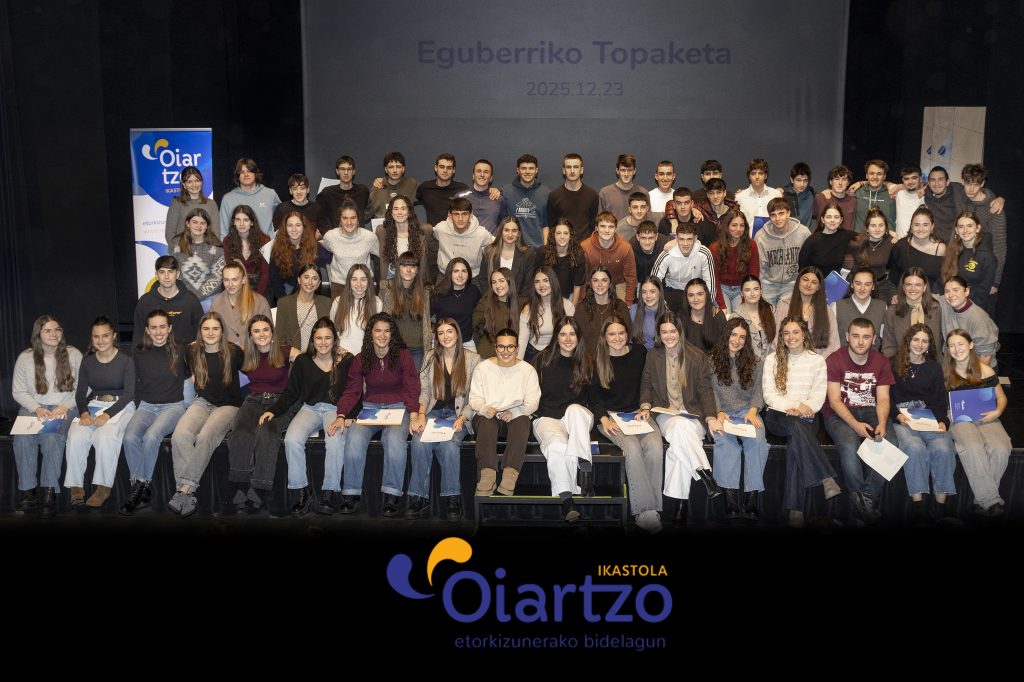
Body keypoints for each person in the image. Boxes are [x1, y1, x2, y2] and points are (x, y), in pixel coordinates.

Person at [262, 318, 356, 517]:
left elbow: (354, 391)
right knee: (291, 439)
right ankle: (302, 491)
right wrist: (274, 410)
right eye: (319, 338)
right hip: (310, 408)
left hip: (336, 409)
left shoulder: (346, 361)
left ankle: (329, 492)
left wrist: (349, 415)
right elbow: (291, 392)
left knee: (334, 439)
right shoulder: (302, 361)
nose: (323, 342)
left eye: (328, 338)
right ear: (312, 340)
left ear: (334, 340)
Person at [639, 313, 721, 526]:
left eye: (672, 331)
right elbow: (646, 384)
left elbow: (705, 390)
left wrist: (710, 417)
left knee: (678, 442)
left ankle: (680, 506)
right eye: (664, 332)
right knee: (677, 426)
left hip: (692, 415)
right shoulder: (653, 356)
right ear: (659, 334)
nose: (669, 336)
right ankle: (705, 474)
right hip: (665, 413)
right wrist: (645, 405)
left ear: (680, 331)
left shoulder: (697, 356)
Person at [335, 313, 420, 516]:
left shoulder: (403, 355)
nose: (382, 335)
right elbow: (353, 390)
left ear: (392, 334)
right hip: (371, 408)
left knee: (393, 439)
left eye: (386, 331)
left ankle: (391, 495)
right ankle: (351, 494)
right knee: (354, 437)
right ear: (370, 334)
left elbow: (412, 387)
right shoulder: (360, 358)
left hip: (398, 407)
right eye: (378, 330)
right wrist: (341, 414)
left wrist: (414, 414)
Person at [762, 316, 840, 527]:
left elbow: (818, 394)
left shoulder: (817, 361)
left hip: (807, 416)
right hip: (778, 415)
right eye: (786, 333)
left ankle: (795, 510)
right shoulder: (772, 359)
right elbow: (769, 395)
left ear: (804, 334)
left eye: (795, 332)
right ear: (781, 336)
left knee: (797, 437)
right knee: (796, 427)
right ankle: (825, 477)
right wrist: (795, 405)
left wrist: (803, 409)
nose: (791, 337)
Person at [590, 315, 664, 533]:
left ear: (627, 334)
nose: (617, 337)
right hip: (610, 417)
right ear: (604, 337)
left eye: (621, 333)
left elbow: (648, 383)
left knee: (655, 446)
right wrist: (603, 419)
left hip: (638, 413)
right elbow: (593, 396)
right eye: (612, 334)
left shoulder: (640, 353)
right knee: (631, 447)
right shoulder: (597, 359)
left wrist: (646, 407)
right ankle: (644, 511)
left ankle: (651, 509)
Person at [169, 312, 244, 517]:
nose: (210, 333)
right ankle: (187, 496)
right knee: (179, 436)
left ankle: (184, 489)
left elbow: (254, 366)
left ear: (222, 331)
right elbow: (182, 371)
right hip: (202, 402)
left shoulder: (234, 352)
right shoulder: (192, 351)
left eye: (215, 328)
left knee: (205, 437)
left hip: (229, 406)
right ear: (200, 331)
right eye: (206, 328)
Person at [407, 318, 481, 521]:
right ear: (436, 337)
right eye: (441, 333)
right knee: (418, 440)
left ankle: (452, 498)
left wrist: (463, 418)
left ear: (457, 334)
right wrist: (421, 416)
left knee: (449, 445)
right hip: (433, 412)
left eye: (449, 331)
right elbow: (424, 391)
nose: (446, 336)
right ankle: (419, 497)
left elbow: (475, 397)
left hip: (458, 415)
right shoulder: (430, 357)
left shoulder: (473, 359)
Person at [824, 317, 895, 524]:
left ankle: (866, 497)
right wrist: (855, 426)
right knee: (849, 444)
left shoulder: (881, 362)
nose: (861, 342)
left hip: (871, 411)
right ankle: (864, 503)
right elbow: (834, 400)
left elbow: (883, 399)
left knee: (892, 444)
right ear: (847, 337)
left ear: (874, 339)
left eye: (866, 337)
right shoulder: (834, 360)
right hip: (839, 413)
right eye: (855, 336)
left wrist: (882, 423)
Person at [10, 316, 82, 518]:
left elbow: (82, 388)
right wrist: (36, 409)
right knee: (22, 438)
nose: (54, 334)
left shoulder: (73, 354)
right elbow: (18, 391)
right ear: (38, 334)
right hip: (34, 407)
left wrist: (65, 406)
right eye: (48, 330)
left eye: (57, 329)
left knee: (51, 437)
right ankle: (29, 492)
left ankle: (50, 492)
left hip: (65, 406)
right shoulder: (25, 357)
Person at [64, 315, 136, 509]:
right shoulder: (87, 362)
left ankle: (103, 488)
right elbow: (80, 394)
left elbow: (129, 394)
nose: (101, 340)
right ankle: (76, 487)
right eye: (96, 336)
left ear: (113, 336)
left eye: (105, 335)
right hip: (95, 405)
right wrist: (84, 413)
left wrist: (108, 415)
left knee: (105, 436)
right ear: (92, 338)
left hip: (121, 406)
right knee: (76, 435)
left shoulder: (126, 361)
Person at [119, 309, 187, 515]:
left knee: (151, 436)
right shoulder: (139, 352)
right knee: (129, 437)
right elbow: (136, 384)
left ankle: (139, 486)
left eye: (162, 327)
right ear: (147, 330)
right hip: (147, 405)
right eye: (154, 327)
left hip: (173, 406)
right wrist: (139, 406)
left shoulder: (182, 350)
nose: (158, 332)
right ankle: (143, 488)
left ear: (170, 328)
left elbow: (197, 372)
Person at [226, 315, 296, 513]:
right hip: (253, 401)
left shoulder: (286, 351)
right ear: (250, 336)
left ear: (272, 333)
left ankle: (260, 488)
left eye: (265, 330)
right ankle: (241, 484)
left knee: (266, 432)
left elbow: (311, 358)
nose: (262, 334)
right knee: (239, 431)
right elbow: (219, 350)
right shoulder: (245, 355)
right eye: (256, 331)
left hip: (280, 402)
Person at [531, 316, 596, 523]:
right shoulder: (542, 360)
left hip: (577, 419)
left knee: (575, 410)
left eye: (572, 334)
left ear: (578, 337)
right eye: (563, 334)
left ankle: (584, 468)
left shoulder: (587, 361)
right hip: (548, 417)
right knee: (557, 446)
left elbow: (595, 398)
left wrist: (604, 418)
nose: (568, 339)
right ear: (556, 337)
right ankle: (567, 500)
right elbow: (529, 392)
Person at [889, 323, 957, 523]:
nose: (919, 344)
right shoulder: (892, 364)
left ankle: (939, 505)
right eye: (916, 339)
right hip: (903, 418)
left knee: (944, 448)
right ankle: (918, 504)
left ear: (929, 345)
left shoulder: (933, 367)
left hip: (929, 418)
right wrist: (896, 415)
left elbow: (939, 399)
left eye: (925, 341)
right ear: (908, 341)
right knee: (914, 446)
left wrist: (943, 422)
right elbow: (885, 397)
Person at [708, 318, 770, 520]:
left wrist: (752, 411)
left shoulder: (756, 362)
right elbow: (710, 391)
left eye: (742, 337)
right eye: (733, 335)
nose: (737, 340)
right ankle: (730, 497)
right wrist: (718, 412)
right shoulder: (711, 361)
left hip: (747, 411)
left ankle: (752, 496)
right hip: (722, 413)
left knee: (758, 441)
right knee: (726, 443)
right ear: (726, 335)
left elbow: (758, 391)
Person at [945, 329, 1011, 517]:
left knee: (1002, 447)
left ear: (971, 345)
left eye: (960, 344)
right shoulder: (945, 373)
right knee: (973, 446)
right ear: (948, 349)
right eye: (952, 345)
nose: (957, 349)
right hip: (959, 418)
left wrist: (997, 411)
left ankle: (982, 501)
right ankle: (991, 501)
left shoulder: (986, 370)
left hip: (986, 416)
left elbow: (1001, 397)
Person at [468, 328, 541, 497]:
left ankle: (510, 475)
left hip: (514, 416)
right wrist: (484, 408)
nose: (505, 351)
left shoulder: (527, 370)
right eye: (501, 347)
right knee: (485, 423)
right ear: (495, 348)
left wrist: (515, 411)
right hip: (488, 415)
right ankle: (487, 475)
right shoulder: (483, 368)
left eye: (510, 347)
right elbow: (474, 398)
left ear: (517, 348)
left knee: (523, 421)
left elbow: (533, 402)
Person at [132, 255, 203, 347]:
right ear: (156, 275)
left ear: (177, 274)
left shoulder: (191, 300)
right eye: (162, 272)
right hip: (153, 353)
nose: (166, 276)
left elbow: (200, 332)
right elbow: (138, 336)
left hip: (185, 354)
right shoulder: (145, 301)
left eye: (170, 271)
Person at [380, 251, 432, 370]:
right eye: (404, 265)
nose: (409, 269)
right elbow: (383, 321)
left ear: (417, 270)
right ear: (398, 268)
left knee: (414, 381)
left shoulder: (425, 292)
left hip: (418, 349)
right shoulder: (387, 290)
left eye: (413, 266)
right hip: (394, 348)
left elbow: (428, 321)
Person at [754, 197, 810, 306]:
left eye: (781, 213)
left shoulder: (803, 233)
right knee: (766, 315)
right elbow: (760, 267)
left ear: (788, 213)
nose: (777, 218)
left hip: (792, 284)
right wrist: (759, 286)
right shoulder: (760, 236)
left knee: (785, 314)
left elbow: (808, 262)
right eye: (773, 215)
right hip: (768, 285)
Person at [774, 266, 840, 357]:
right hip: (788, 360)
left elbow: (834, 345)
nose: (808, 284)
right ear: (798, 281)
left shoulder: (827, 312)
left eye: (814, 282)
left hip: (817, 362)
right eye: (805, 279)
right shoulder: (784, 306)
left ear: (818, 287)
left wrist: (816, 361)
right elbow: (776, 340)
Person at [268, 210, 332, 303]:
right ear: (285, 228)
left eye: (298, 225)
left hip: (312, 290)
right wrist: (284, 301)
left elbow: (333, 259)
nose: (294, 229)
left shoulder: (315, 247)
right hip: (288, 291)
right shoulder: (277, 250)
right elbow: (275, 280)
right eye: (290, 225)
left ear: (303, 228)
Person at [940, 211, 996, 315]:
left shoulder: (986, 256)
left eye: (969, 226)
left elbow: (983, 293)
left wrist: (965, 311)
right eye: (961, 227)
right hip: (949, 307)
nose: (965, 230)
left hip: (973, 310)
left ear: (978, 228)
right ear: (956, 230)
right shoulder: (951, 251)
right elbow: (942, 280)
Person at [653, 222, 716, 315]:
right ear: (676, 238)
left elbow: (710, 282)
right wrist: (659, 301)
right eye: (681, 239)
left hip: (695, 290)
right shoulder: (667, 254)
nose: (685, 244)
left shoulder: (704, 253)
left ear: (695, 238)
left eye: (689, 239)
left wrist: (707, 304)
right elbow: (654, 280)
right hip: (672, 291)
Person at [319, 199, 377, 299]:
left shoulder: (369, 237)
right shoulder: (330, 236)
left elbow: (384, 256)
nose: (349, 222)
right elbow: (322, 247)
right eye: (345, 218)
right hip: (339, 287)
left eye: (353, 218)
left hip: (364, 286)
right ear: (340, 220)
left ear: (358, 219)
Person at [882, 267, 942, 358]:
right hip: (900, 363)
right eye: (908, 284)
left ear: (924, 287)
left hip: (931, 363)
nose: (913, 288)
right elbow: (888, 347)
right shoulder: (892, 312)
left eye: (918, 285)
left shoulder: (935, 309)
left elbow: (938, 344)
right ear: (903, 287)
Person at [939, 276, 999, 366]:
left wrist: (974, 374)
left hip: (977, 366)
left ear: (966, 291)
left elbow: (986, 355)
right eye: (947, 291)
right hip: (955, 363)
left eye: (956, 290)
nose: (951, 295)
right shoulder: (945, 302)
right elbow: (927, 298)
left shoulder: (978, 318)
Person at [518, 266, 575, 360]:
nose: (541, 285)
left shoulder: (568, 306)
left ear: (553, 282)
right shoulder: (528, 309)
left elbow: (572, 337)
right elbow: (522, 339)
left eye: (545, 280)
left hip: (558, 352)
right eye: (537, 282)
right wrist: (518, 364)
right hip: (532, 353)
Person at [210, 260, 271, 347]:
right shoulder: (216, 304)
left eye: (235, 280)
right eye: (226, 280)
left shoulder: (260, 302)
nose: (230, 284)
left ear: (243, 280)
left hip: (254, 351)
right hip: (228, 352)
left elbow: (268, 333)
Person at [171, 207, 225, 305]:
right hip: (184, 297)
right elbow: (174, 272)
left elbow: (217, 277)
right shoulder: (176, 244)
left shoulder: (217, 247)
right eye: (195, 222)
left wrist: (197, 296)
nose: (199, 226)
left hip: (210, 299)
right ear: (188, 224)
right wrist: (187, 296)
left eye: (203, 223)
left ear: (207, 226)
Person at [581, 211, 637, 305]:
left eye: (611, 227)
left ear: (615, 229)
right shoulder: (585, 247)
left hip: (618, 284)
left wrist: (628, 303)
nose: (607, 230)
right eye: (603, 226)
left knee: (622, 310)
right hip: (594, 283)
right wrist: (583, 300)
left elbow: (631, 277)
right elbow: (583, 278)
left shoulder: (625, 247)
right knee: (590, 309)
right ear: (596, 228)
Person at [432, 197, 493, 282]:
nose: (460, 219)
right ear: (450, 215)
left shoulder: (481, 234)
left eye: (464, 214)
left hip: (472, 277)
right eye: (456, 214)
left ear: (471, 215)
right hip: (445, 275)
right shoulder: (441, 229)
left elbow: (497, 243)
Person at [710, 209, 759, 313]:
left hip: (742, 289)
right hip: (721, 289)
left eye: (742, 225)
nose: (738, 229)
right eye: (734, 225)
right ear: (727, 226)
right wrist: (722, 305)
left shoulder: (752, 245)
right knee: (726, 317)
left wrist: (746, 298)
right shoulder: (715, 248)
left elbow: (754, 274)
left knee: (741, 317)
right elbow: (714, 279)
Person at [375, 194, 432, 283]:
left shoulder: (424, 231)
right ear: (391, 212)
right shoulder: (382, 232)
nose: (399, 212)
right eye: (396, 209)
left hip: (416, 281)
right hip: (391, 281)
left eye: (403, 208)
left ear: (409, 211)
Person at [888, 206, 946, 294]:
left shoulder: (941, 249)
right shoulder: (901, 246)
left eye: (925, 225)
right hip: (902, 296)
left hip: (930, 297)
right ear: (911, 226)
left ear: (932, 227)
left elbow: (942, 279)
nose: (921, 229)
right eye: (916, 225)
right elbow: (891, 275)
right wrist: (895, 295)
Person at [218, 157, 281, 239]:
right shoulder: (228, 199)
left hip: (266, 245)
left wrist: (274, 240)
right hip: (237, 246)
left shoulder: (270, 194)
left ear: (255, 174)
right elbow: (223, 231)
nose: (246, 175)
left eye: (249, 171)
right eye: (242, 172)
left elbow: (282, 219)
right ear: (238, 176)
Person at [274, 263, 332, 352]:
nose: (310, 282)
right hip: (294, 356)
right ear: (299, 280)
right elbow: (280, 337)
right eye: (306, 277)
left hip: (319, 355)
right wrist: (291, 354)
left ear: (319, 283)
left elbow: (330, 334)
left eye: (314, 278)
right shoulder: (284, 303)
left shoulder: (326, 303)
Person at [475, 215, 535, 297]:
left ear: (518, 233)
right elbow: (483, 279)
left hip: (518, 300)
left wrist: (518, 303)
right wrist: (492, 300)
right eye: (506, 230)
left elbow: (528, 284)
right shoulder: (489, 252)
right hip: (493, 299)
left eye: (514, 231)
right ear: (501, 232)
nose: (510, 234)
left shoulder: (527, 253)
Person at [430, 257, 482, 351]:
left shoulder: (473, 291)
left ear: (469, 273)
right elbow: (427, 317)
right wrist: (432, 332)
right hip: (443, 342)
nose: (460, 275)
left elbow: (481, 313)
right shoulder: (439, 292)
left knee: (475, 361)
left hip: (466, 342)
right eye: (456, 271)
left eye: (464, 271)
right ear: (450, 273)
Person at [330, 263, 382, 356]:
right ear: (349, 282)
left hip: (366, 357)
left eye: (363, 279)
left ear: (368, 282)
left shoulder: (377, 303)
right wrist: (338, 349)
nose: (359, 284)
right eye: (354, 279)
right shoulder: (338, 302)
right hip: (342, 357)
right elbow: (331, 332)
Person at [499, 153, 550, 248]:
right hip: (513, 248)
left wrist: (545, 248)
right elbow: (501, 223)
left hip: (537, 249)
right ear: (518, 170)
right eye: (523, 168)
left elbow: (546, 225)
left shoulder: (546, 193)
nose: (527, 172)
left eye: (531, 168)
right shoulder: (506, 192)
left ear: (536, 170)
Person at [546, 153, 599, 243]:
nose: (572, 171)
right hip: (562, 246)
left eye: (576, 167)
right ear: (564, 171)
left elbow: (593, 225)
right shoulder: (554, 196)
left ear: (581, 170)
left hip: (585, 247)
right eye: (568, 167)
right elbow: (552, 227)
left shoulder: (592, 195)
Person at [574, 266, 631, 343]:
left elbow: (627, 336)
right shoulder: (581, 308)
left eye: (604, 280)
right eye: (595, 280)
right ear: (590, 283)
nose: (600, 284)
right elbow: (576, 337)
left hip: (615, 350)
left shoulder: (621, 307)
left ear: (610, 283)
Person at [165, 166, 220, 244]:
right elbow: (170, 235)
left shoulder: (211, 204)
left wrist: (206, 250)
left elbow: (216, 234)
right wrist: (181, 250)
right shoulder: (176, 203)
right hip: (182, 249)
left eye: (197, 180)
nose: (194, 184)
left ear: (201, 182)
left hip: (207, 250)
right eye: (189, 182)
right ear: (184, 185)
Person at [222, 205, 270, 295]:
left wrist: (257, 297)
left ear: (251, 222)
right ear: (234, 222)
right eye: (238, 220)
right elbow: (231, 271)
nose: (241, 224)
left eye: (246, 220)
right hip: (237, 284)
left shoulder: (264, 240)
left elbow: (265, 274)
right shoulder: (227, 241)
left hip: (260, 284)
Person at [835, 267, 886, 350]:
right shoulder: (837, 306)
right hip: (843, 357)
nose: (862, 288)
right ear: (852, 285)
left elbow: (885, 339)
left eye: (867, 284)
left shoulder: (882, 307)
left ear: (873, 286)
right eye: (858, 284)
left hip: (873, 357)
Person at [798, 202, 856, 276]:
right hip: (816, 280)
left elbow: (865, 237)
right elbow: (802, 267)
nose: (832, 220)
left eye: (836, 217)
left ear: (841, 220)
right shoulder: (812, 241)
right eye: (828, 217)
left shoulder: (845, 235)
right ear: (822, 219)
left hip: (835, 281)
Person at [473, 267, 519, 360]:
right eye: (494, 282)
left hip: (510, 357)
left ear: (510, 282)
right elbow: (473, 327)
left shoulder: (520, 305)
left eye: (501, 281)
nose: (497, 285)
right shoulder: (485, 303)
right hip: (487, 357)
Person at [538, 218, 586, 304]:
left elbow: (577, 286)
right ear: (553, 235)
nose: (562, 237)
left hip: (569, 297)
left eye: (566, 233)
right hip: (545, 295)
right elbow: (536, 279)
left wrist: (572, 309)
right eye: (558, 233)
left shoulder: (578, 254)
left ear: (570, 235)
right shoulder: (542, 253)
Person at [853, 207, 897, 302]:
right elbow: (854, 270)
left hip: (881, 286)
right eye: (873, 225)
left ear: (886, 227)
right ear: (867, 228)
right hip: (860, 287)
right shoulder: (858, 242)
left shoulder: (892, 242)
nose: (877, 229)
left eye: (881, 225)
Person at [416, 153, 471, 225]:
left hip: (456, 231)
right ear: (436, 168)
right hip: (433, 231)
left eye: (449, 168)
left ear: (453, 170)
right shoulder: (425, 188)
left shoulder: (462, 189)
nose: (445, 170)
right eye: (442, 167)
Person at [315, 155, 370, 227]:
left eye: (349, 169)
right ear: (337, 171)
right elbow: (317, 215)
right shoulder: (327, 193)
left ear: (353, 172)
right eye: (342, 169)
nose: (346, 172)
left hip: (359, 232)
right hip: (335, 233)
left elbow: (372, 210)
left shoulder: (363, 191)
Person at [732, 275, 777, 358]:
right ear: (741, 293)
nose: (752, 294)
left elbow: (776, 340)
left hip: (771, 360)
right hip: (746, 362)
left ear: (761, 291)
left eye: (756, 289)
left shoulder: (771, 310)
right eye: (747, 290)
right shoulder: (735, 316)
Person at [735, 158, 782, 236]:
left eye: (760, 173)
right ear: (749, 176)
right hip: (748, 240)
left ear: (766, 176)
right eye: (753, 173)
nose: (757, 177)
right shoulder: (740, 197)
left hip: (773, 239)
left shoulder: (776, 194)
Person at [365, 151, 418, 220]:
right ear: (386, 169)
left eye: (398, 167)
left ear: (403, 169)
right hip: (382, 225)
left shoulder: (411, 185)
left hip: (405, 225)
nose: (395, 170)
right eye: (391, 167)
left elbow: (428, 193)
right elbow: (366, 213)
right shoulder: (378, 187)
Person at [680, 277, 727, 352]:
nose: (696, 299)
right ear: (686, 298)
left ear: (706, 295)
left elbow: (724, 345)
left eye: (700, 294)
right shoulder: (680, 317)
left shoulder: (718, 315)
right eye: (691, 295)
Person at [598, 153, 648, 220]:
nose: (626, 174)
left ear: (634, 171)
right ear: (617, 171)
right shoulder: (605, 193)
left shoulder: (643, 192)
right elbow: (600, 221)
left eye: (629, 170)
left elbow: (647, 221)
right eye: (623, 170)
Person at [630, 220, 670, 298]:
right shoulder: (631, 246)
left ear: (656, 236)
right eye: (643, 238)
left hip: (661, 282)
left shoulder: (663, 241)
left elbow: (683, 239)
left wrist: (675, 241)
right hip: (640, 282)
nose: (647, 242)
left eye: (651, 238)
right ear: (637, 237)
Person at [853, 159, 895, 229]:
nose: (875, 177)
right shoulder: (856, 193)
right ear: (866, 175)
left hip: (886, 236)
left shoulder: (893, 194)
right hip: (860, 236)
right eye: (871, 173)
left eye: (879, 174)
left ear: (884, 176)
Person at [812, 164, 856, 230]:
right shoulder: (820, 198)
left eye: (844, 179)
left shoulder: (853, 201)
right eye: (837, 179)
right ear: (830, 182)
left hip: (847, 236)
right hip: (823, 236)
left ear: (848, 183)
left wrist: (861, 183)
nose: (840, 183)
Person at [629, 276, 667, 350]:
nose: (648, 296)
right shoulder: (634, 310)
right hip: (635, 352)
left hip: (656, 355)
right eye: (644, 292)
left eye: (652, 291)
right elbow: (628, 339)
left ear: (660, 292)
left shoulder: (667, 315)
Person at [466, 159, 503, 233]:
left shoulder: (499, 199)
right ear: (473, 175)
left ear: (491, 178)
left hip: (491, 240)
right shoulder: (461, 198)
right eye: (479, 171)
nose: (482, 175)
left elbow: (503, 224)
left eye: (486, 172)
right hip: (467, 240)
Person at [782, 162, 814, 228]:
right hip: (785, 233)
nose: (802, 184)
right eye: (798, 180)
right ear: (792, 180)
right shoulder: (783, 195)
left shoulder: (811, 195)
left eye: (805, 180)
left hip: (804, 233)